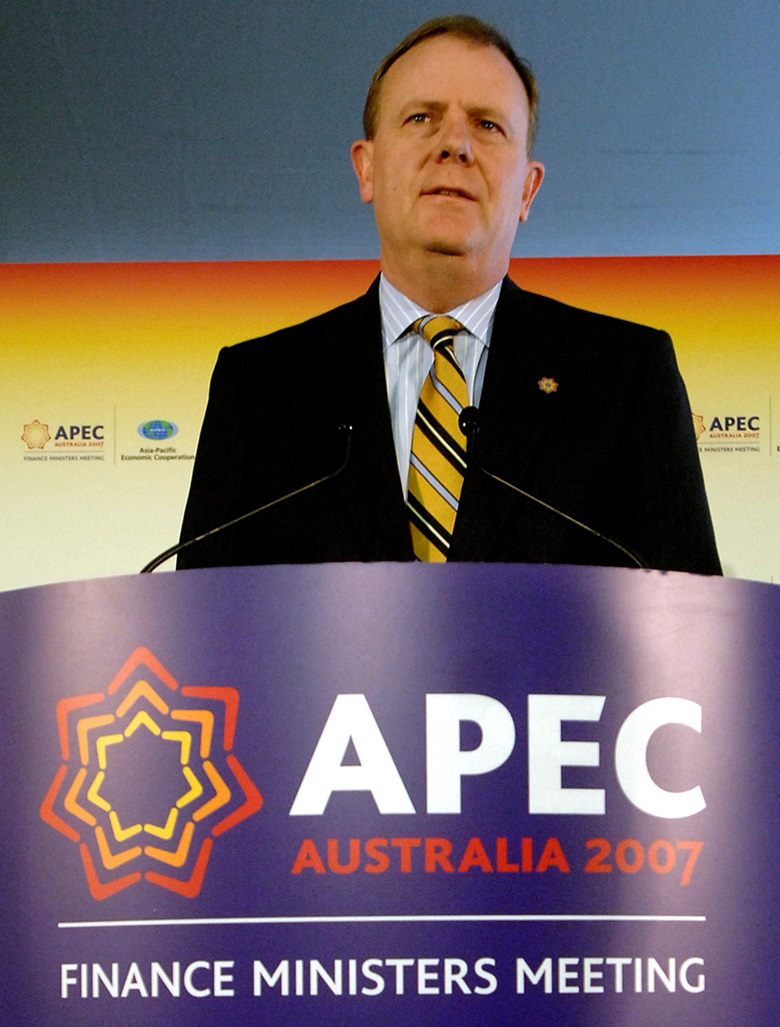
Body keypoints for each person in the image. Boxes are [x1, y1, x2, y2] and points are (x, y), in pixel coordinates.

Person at [178, 15, 721, 574]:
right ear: (367, 169)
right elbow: (198, 616)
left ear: (527, 189)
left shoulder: (626, 377)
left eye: (487, 125)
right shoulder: (259, 387)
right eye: (421, 118)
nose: (455, 145)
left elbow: (693, 612)